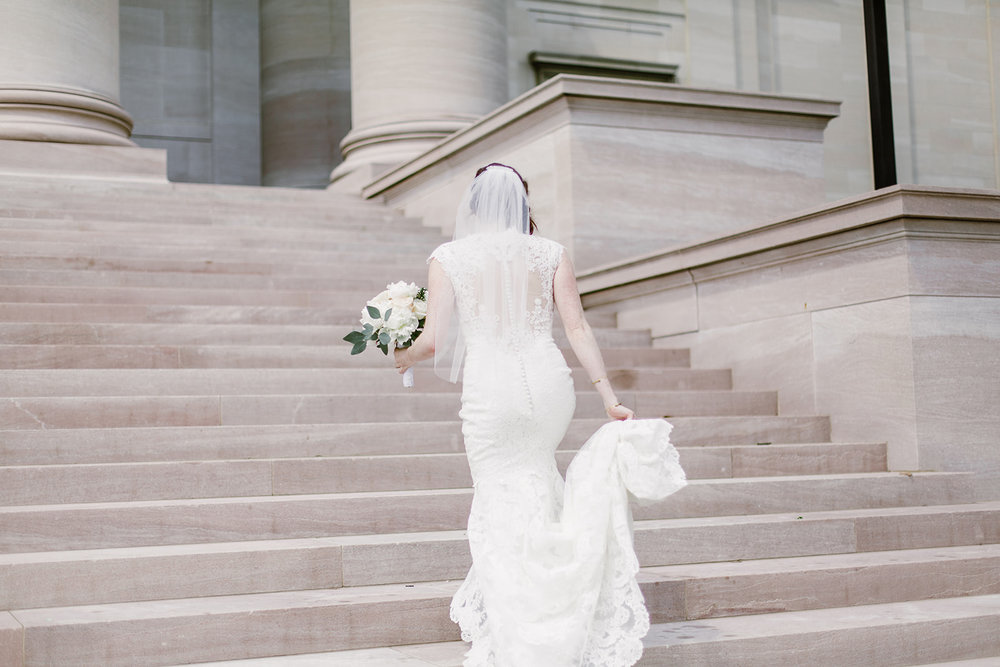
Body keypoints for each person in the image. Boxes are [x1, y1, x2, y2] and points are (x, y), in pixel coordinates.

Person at [394, 163, 686, 666]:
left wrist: (398, 354)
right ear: (523, 202)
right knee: (538, 478)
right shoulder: (551, 253)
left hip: (491, 390)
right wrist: (608, 395)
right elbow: (577, 329)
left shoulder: (449, 257)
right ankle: (557, 595)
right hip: (550, 386)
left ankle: (526, 624)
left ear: (474, 206)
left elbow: (435, 340)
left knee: (499, 491)